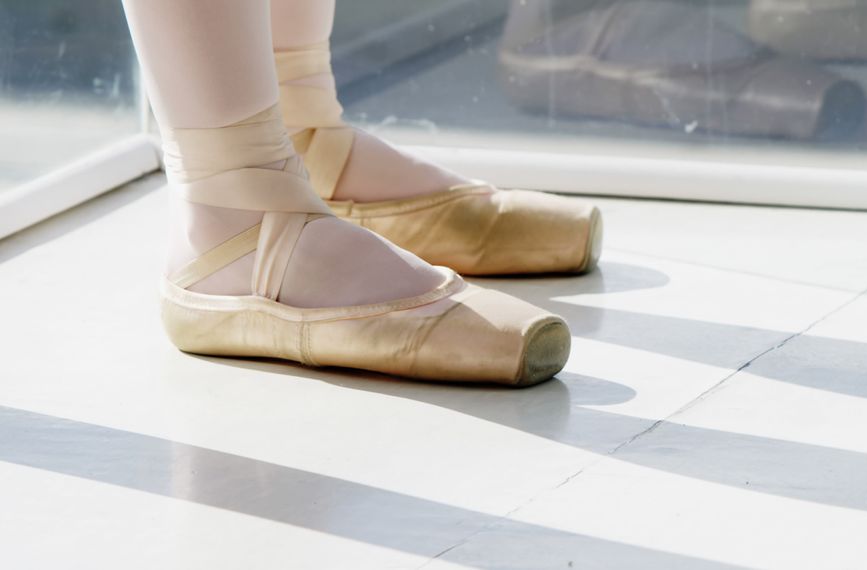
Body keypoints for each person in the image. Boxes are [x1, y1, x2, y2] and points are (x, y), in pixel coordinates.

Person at [120, 0, 603, 386]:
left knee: (288, 110)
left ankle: (300, 136)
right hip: (236, 233)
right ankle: (234, 213)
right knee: (231, 167)